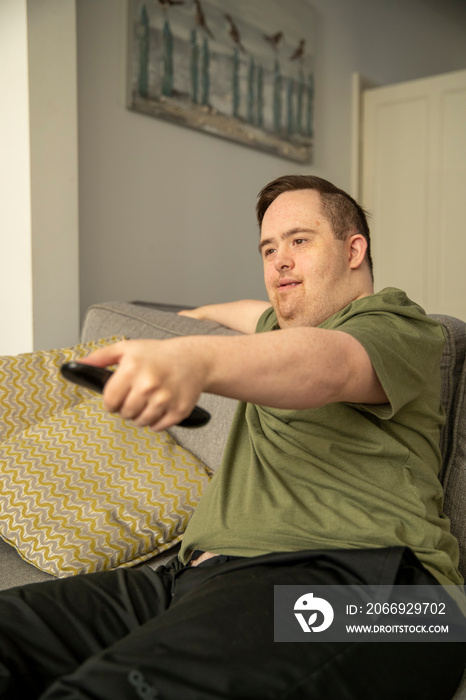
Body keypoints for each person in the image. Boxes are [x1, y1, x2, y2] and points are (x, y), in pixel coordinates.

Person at [0, 175, 465, 699]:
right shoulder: (277, 329)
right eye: (268, 248)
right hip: (190, 583)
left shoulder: (401, 326)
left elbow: (329, 365)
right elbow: (253, 313)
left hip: (379, 594)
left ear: (354, 249)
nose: (279, 261)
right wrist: (196, 317)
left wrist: (194, 358)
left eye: (299, 240)